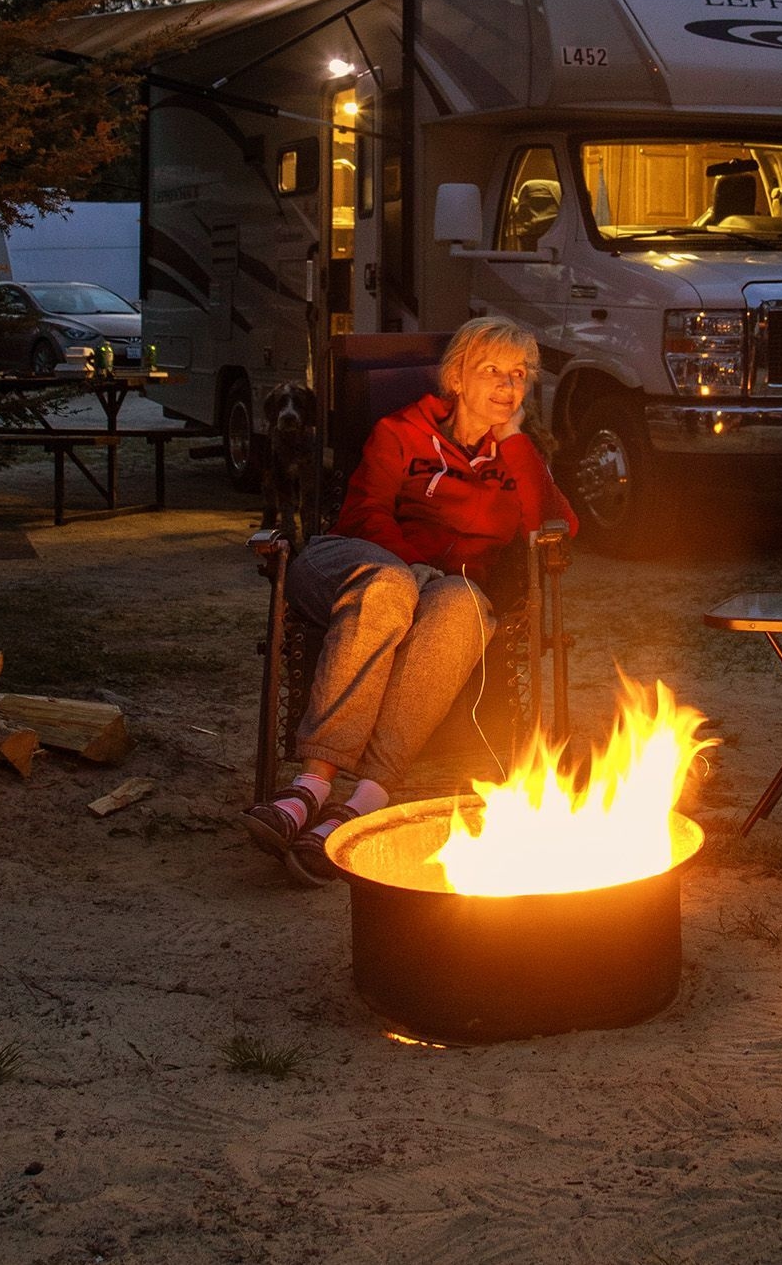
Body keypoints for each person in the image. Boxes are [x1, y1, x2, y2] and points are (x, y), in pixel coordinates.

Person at [241, 318, 576, 885]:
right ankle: (312, 786)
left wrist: (516, 441)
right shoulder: (401, 430)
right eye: (491, 370)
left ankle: (363, 802)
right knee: (389, 588)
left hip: (452, 585)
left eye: (518, 375)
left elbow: (554, 525)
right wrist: (412, 568)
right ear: (458, 376)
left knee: (462, 610)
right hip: (354, 559)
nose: (507, 385)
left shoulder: (519, 455)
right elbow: (365, 511)